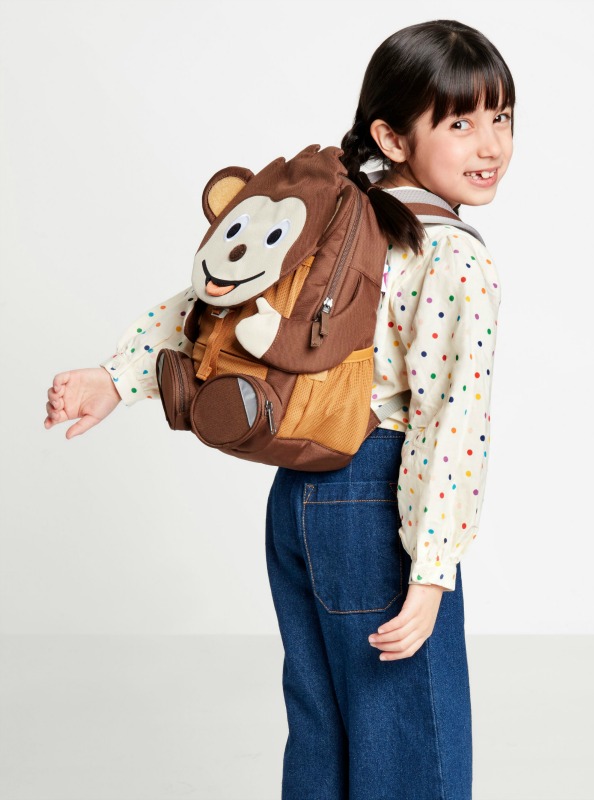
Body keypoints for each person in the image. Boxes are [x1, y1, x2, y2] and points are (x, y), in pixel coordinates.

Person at [44, 18, 515, 800]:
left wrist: (117, 376)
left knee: (323, 730)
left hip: (299, 499)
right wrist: (432, 569)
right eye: (459, 123)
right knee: (409, 740)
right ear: (392, 136)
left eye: (501, 117)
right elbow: (450, 419)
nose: (490, 144)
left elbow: (217, 296)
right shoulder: (454, 254)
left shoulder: (332, 216)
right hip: (381, 503)